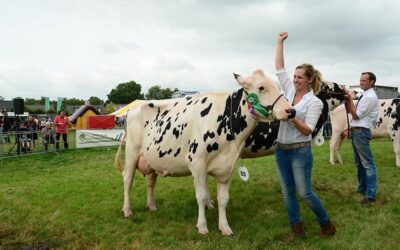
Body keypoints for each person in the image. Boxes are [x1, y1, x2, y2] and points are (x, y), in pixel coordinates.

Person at [274, 32, 335, 240]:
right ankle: (296, 229)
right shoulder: (289, 92)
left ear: (309, 80)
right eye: (295, 76)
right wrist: (279, 42)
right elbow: (279, 70)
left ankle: (326, 223)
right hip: (281, 150)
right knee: (287, 193)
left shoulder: (315, 102)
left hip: (300, 151)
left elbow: (308, 129)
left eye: (300, 77)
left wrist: (291, 117)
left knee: (305, 193)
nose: (295, 79)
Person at [344, 72, 379, 206]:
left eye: (364, 80)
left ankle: (370, 195)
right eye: (360, 80)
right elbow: (350, 111)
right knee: (359, 163)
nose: (361, 82)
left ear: (372, 82)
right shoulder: (364, 95)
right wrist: (347, 100)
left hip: (361, 131)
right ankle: (362, 188)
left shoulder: (370, 97)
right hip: (357, 131)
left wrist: (349, 100)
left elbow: (356, 115)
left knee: (368, 164)